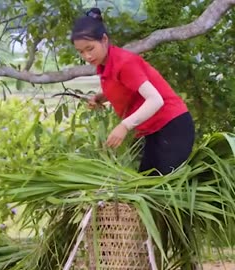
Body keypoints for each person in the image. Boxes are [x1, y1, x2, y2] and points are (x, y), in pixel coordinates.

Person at [70, 7, 195, 176]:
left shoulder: (124, 63)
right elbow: (127, 87)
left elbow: (155, 100)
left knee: (159, 191)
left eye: (90, 48)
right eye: (81, 52)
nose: (87, 56)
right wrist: (102, 97)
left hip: (171, 126)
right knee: (143, 185)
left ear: (104, 40)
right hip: (150, 131)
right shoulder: (105, 64)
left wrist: (124, 126)